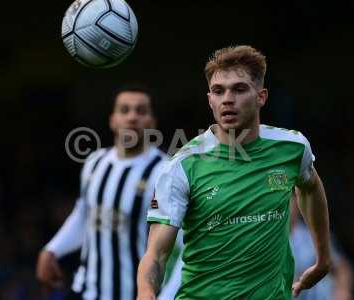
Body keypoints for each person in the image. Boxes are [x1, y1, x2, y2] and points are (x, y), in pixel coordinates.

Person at [137, 45, 332, 300]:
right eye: (219, 91)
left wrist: (323, 259)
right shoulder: (182, 166)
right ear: (210, 100)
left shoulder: (292, 148)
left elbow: (310, 187)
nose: (227, 99)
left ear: (261, 97)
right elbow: (156, 254)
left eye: (239, 89)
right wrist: (145, 292)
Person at [36, 85, 168, 300]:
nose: (132, 117)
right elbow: (84, 214)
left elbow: (181, 245)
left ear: (153, 122)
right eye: (124, 110)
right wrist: (52, 249)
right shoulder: (94, 162)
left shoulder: (165, 172)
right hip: (86, 291)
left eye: (141, 111)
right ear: (113, 120)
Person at [291, 190, 354, 300]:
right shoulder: (267, 240)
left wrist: (343, 291)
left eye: (291, 200)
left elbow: (342, 268)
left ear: (297, 202)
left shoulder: (314, 233)